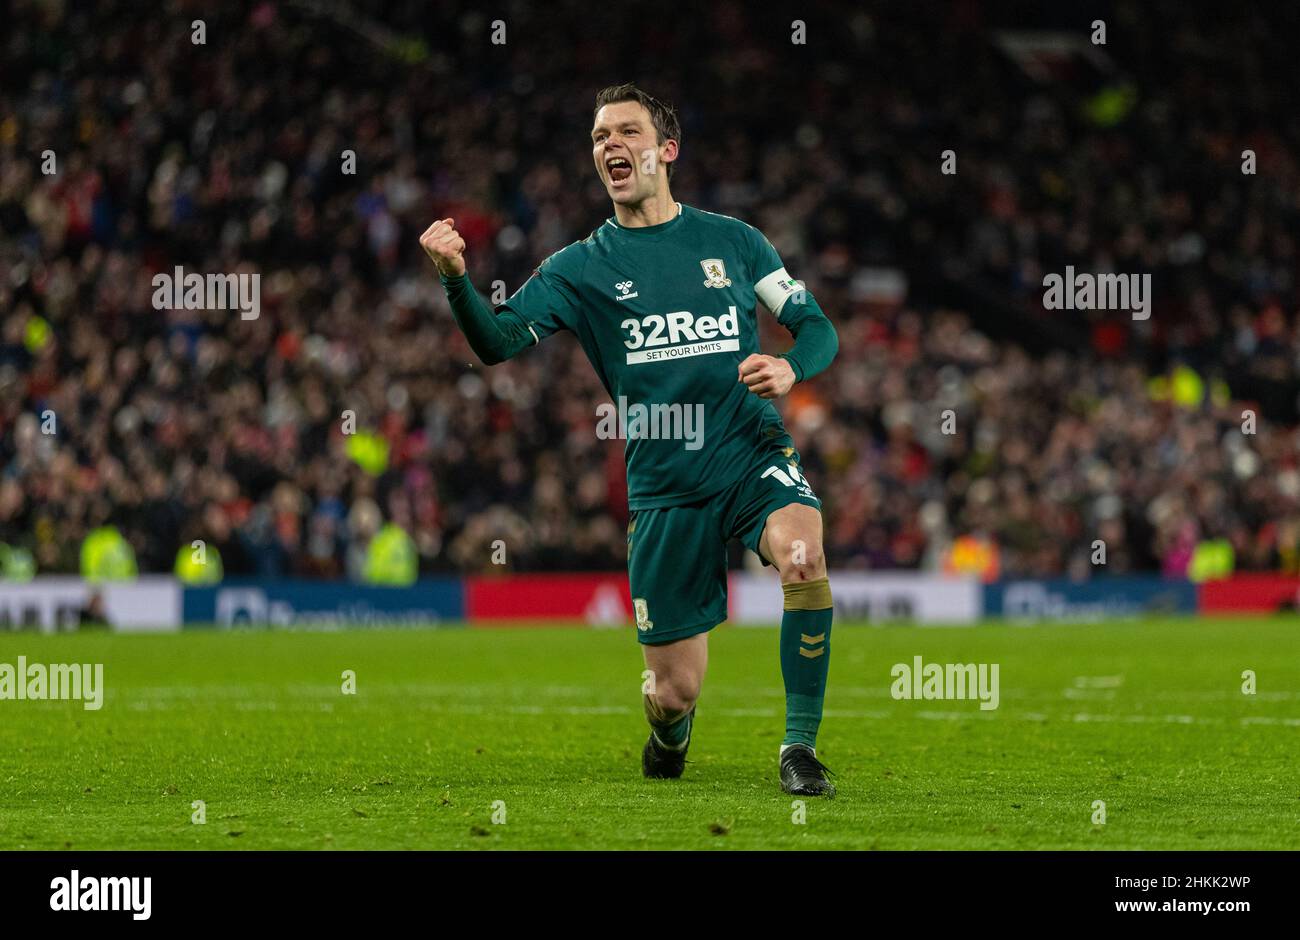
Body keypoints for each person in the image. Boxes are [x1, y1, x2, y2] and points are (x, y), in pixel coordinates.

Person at [421, 84, 839, 795]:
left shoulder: (735, 242)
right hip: (664, 486)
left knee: (803, 556)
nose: (610, 145)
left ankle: (798, 748)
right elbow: (494, 345)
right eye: (598, 137)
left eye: (626, 132)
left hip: (748, 450)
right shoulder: (578, 269)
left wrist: (790, 365)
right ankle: (668, 734)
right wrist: (458, 281)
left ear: (666, 149)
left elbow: (818, 328)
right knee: (673, 691)